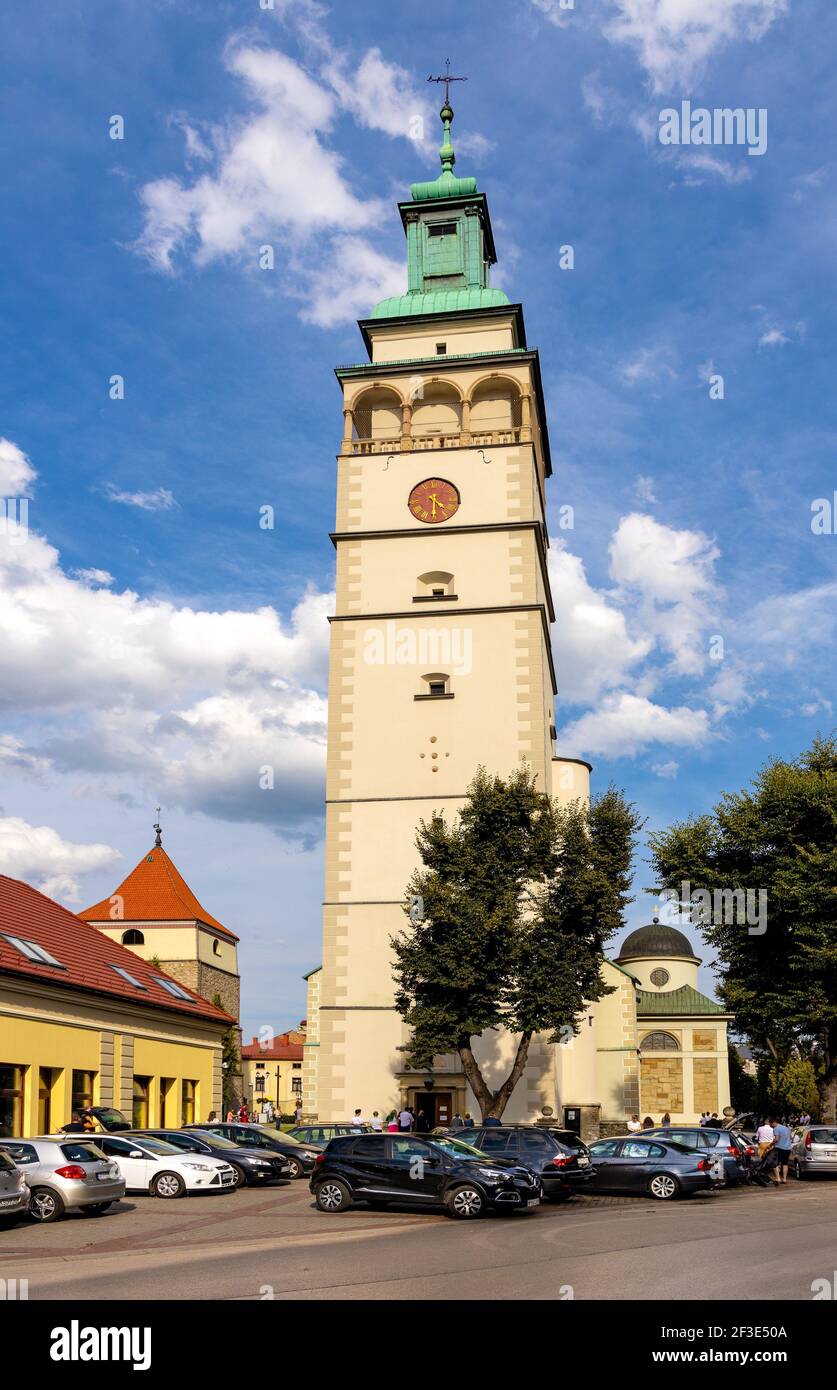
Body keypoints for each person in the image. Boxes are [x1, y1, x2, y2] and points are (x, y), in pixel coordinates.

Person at [772, 1117, 793, 1184]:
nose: (771, 1126)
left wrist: (771, 1143)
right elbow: (790, 1138)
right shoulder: (787, 1128)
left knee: (775, 1163)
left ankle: (778, 1178)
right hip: (788, 1148)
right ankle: (784, 1179)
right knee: (785, 1163)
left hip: (779, 1148)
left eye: (771, 1124)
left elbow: (777, 1139)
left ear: (774, 1123)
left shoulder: (776, 1128)